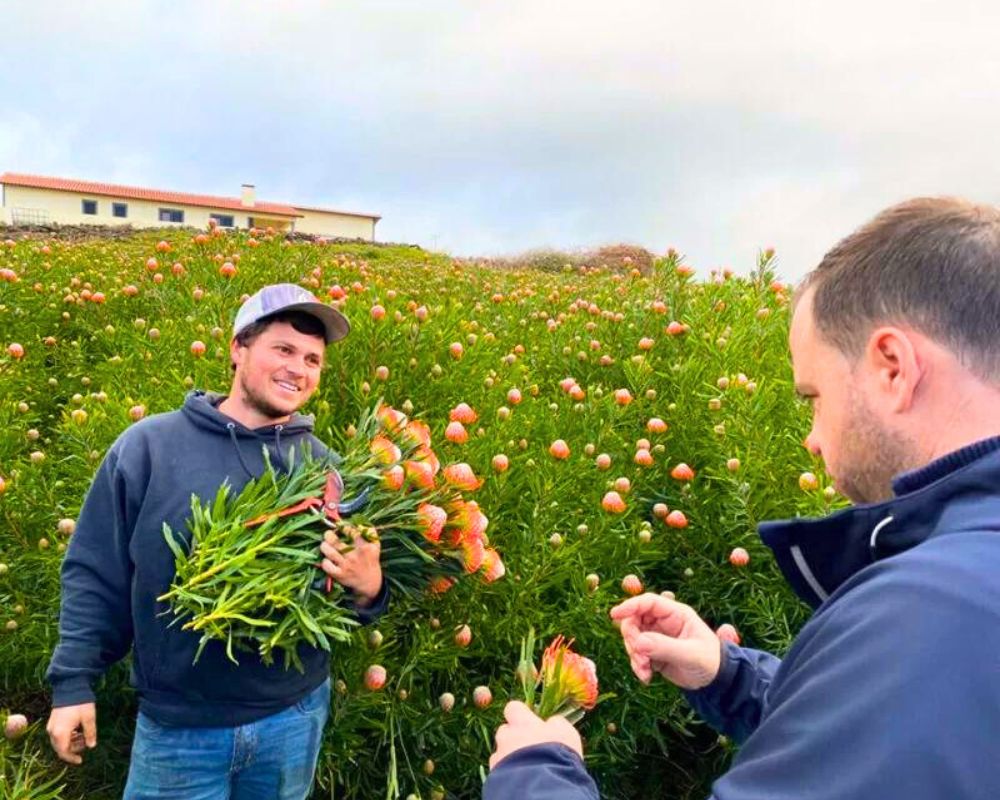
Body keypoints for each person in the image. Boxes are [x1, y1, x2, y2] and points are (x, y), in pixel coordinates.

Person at [485, 197, 1000, 799]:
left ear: (892, 366)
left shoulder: (928, 612)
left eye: (813, 396)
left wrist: (535, 772)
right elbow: (903, 741)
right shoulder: (962, 593)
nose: (812, 437)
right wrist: (728, 675)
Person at [45, 283, 389, 799]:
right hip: (178, 729)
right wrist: (73, 682)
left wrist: (368, 588)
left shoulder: (329, 471)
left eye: (313, 359)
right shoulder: (148, 448)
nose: (299, 368)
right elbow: (96, 571)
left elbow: (336, 600)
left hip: (293, 718)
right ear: (237, 348)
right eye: (284, 349)